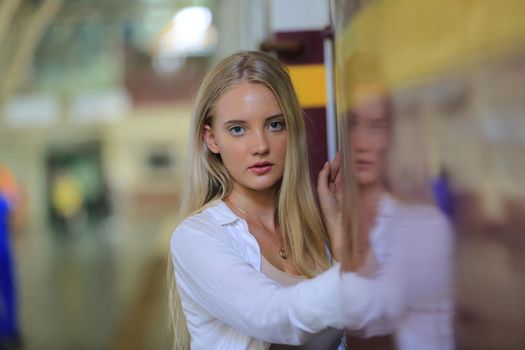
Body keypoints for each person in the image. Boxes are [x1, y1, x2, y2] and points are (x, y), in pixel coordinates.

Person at [168, 51, 348, 350]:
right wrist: (366, 270)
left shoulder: (315, 228)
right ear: (212, 139)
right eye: (238, 129)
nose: (260, 146)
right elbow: (275, 318)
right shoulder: (197, 237)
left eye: (275, 124)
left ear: (292, 130)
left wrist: (340, 232)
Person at [317, 74, 454, 350]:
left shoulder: (425, 223)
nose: (360, 142)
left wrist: (335, 225)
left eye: (376, 127)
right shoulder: (337, 214)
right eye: (352, 124)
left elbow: (370, 319)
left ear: (395, 135)